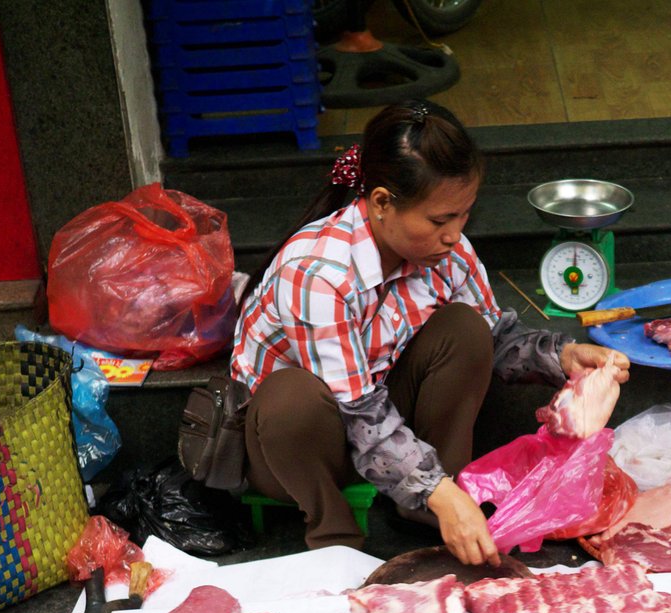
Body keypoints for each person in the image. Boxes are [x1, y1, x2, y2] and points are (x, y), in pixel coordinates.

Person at [230, 100, 629, 565]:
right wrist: (439, 491)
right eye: (440, 220)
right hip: (298, 446)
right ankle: (332, 531)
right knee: (291, 398)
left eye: (464, 216)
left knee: (464, 329)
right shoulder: (318, 273)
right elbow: (356, 411)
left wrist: (560, 356)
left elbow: (496, 337)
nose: (454, 235)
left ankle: (427, 508)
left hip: (378, 414)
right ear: (381, 203)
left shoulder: (449, 253)